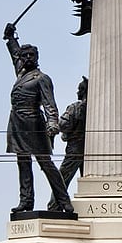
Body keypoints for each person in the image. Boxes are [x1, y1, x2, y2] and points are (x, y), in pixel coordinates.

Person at [3, 23, 69, 214]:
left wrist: (52, 123)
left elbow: (50, 104)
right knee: (23, 163)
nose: (28, 58)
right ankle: (26, 201)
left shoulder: (41, 78)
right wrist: (10, 38)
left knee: (46, 164)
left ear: (37, 58)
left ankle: (63, 201)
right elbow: (14, 54)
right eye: (25, 56)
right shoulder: (21, 73)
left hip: (34, 123)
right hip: (17, 124)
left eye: (32, 55)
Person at [53, 78, 87, 210]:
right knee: (88, 179)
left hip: (75, 148)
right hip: (91, 150)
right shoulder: (95, 109)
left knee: (62, 178)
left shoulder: (75, 107)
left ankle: (54, 207)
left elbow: (63, 124)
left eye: (79, 89)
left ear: (84, 91)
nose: (77, 91)